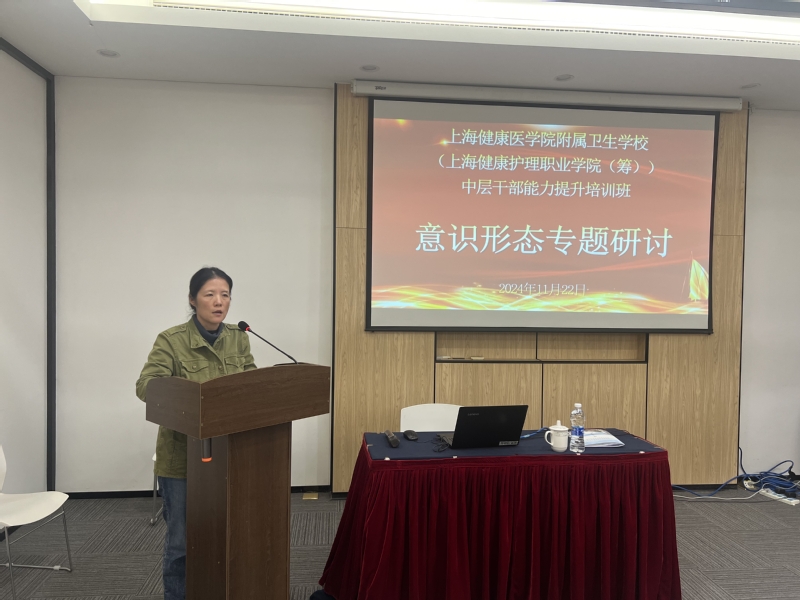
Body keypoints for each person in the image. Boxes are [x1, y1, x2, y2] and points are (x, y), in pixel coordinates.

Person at [136, 267, 256, 600]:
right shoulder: (171, 340)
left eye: (225, 295)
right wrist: (192, 399)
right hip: (183, 460)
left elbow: (252, 382)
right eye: (210, 294)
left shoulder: (239, 336)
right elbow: (146, 387)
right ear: (193, 299)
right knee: (181, 544)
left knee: (226, 536)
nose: (219, 302)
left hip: (229, 454)